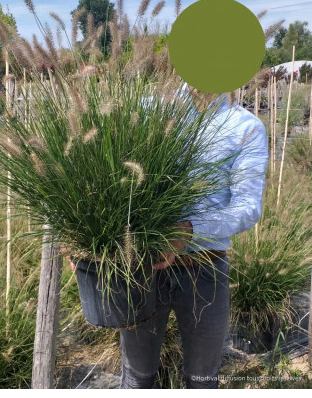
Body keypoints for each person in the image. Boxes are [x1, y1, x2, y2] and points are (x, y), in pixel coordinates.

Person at [62, 86, 269, 389]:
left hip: (205, 271)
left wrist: (190, 229)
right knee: (137, 376)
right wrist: (74, 228)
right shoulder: (146, 109)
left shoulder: (246, 127)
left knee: (202, 379)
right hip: (140, 269)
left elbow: (247, 208)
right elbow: (89, 156)